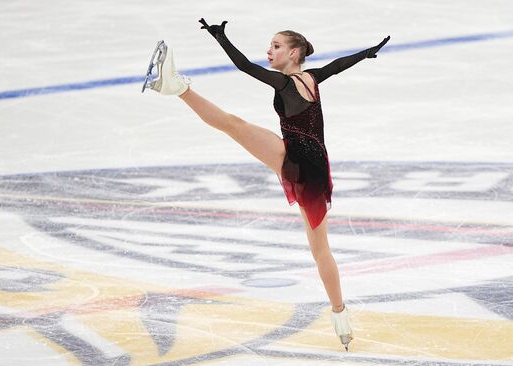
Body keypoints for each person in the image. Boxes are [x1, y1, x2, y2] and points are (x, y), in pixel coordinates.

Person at [145, 18, 390, 351]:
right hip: (309, 160)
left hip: (301, 163)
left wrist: (222, 38)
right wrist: (366, 53)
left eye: (276, 46)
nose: (269, 51)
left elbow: (245, 66)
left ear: (293, 52)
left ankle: (177, 87)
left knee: (235, 126)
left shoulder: (286, 84)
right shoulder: (311, 77)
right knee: (320, 250)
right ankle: (340, 315)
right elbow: (337, 66)